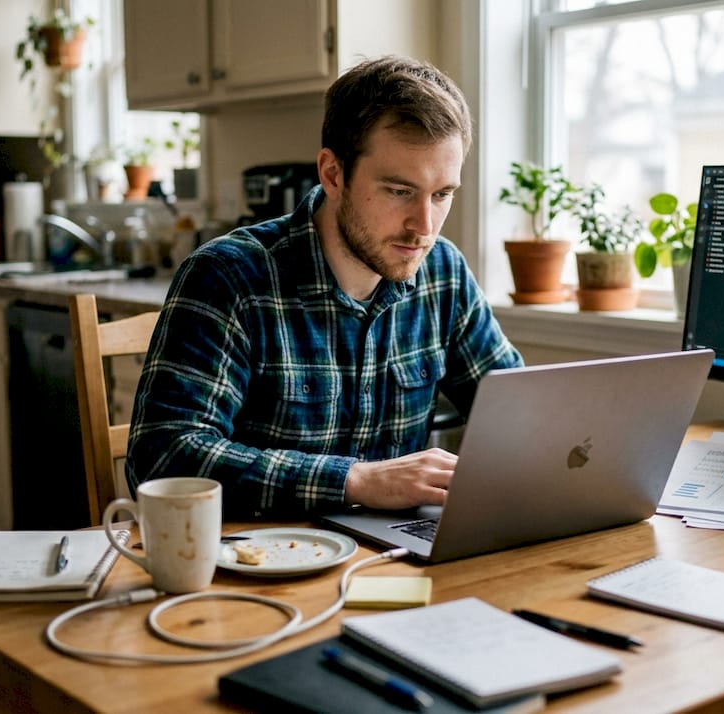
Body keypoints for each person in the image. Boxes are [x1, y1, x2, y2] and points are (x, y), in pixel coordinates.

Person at [126, 55, 523, 518]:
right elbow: (162, 460)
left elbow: (516, 415)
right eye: (399, 191)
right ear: (333, 174)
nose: (424, 226)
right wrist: (356, 480)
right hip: (257, 565)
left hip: (395, 560)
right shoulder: (229, 277)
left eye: (442, 195)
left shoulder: (443, 274)